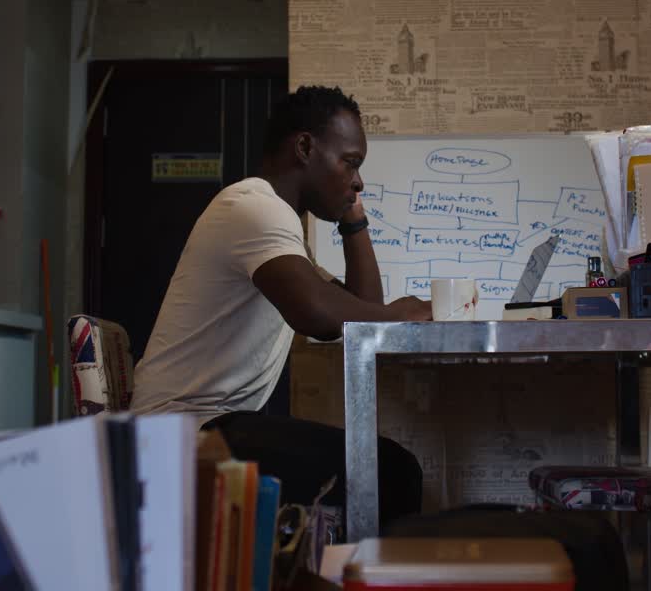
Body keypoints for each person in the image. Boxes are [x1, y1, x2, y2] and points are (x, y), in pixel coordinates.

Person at [129, 85, 431, 528]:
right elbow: (320, 315)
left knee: (384, 468)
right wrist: (403, 314)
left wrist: (353, 213)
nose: (358, 180)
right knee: (391, 472)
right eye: (350, 162)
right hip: (182, 435)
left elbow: (360, 313)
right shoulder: (251, 207)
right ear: (305, 147)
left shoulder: (282, 232)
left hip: (209, 428)